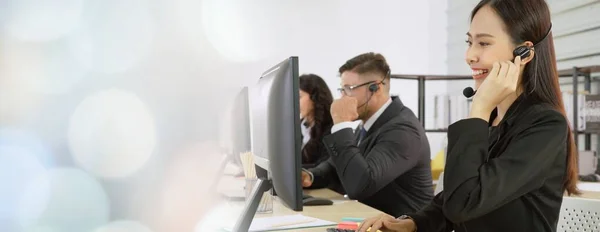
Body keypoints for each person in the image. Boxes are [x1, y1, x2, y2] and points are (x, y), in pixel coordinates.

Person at [357, 0, 580, 232]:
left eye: (483, 43)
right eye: (469, 42)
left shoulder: (545, 126)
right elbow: (455, 195)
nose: (469, 55)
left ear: (523, 53)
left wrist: (479, 110)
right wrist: (412, 223)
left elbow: (464, 203)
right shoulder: (493, 118)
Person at [301, 52, 434, 217]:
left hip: (400, 225)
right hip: (371, 219)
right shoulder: (369, 124)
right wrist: (310, 176)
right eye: (342, 89)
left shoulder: (402, 130)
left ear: (375, 88)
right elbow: (335, 166)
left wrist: (342, 124)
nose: (341, 97)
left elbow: (361, 186)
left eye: (349, 89)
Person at [299, 74, 335, 169]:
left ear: (315, 98)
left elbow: (324, 169)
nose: (294, 101)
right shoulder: (298, 126)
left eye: (299, 97)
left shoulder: (332, 130)